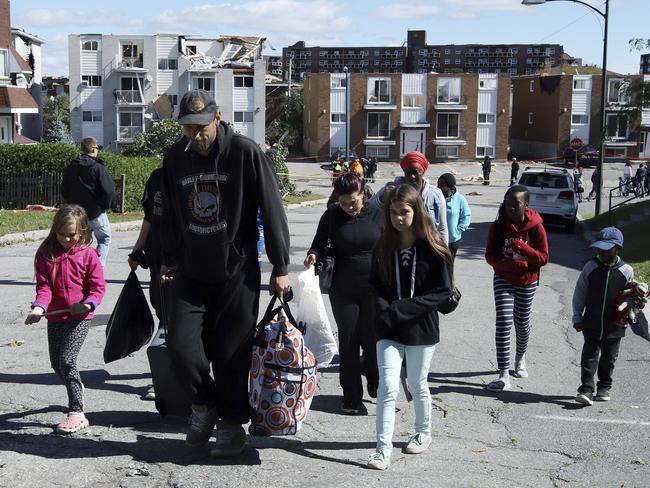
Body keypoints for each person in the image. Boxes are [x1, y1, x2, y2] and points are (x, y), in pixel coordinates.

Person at [159, 89, 291, 457]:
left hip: (236, 271)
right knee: (181, 347)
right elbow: (169, 210)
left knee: (231, 355)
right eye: (187, 127)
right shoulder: (175, 158)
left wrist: (280, 266)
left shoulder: (245, 153)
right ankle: (205, 403)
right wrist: (168, 255)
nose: (195, 134)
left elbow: (272, 207)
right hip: (191, 270)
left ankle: (232, 427)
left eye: (201, 126)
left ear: (216, 119)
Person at [367, 184, 453, 471]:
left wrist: (403, 309)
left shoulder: (433, 247)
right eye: (392, 212)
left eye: (404, 212)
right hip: (389, 327)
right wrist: (385, 312)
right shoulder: (383, 245)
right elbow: (375, 286)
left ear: (416, 211)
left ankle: (423, 431)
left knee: (417, 384)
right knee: (388, 387)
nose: (398, 218)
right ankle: (382, 449)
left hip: (421, 328)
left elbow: (442, 291)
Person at [305, 172, 382, 415]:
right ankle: (351, 397)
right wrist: (313, 254)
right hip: (343, 289)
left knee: (373, 340)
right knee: (348, 342)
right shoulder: (331, 216)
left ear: (363, 195)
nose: (349, 207)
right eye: (344, 202)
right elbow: (317, 242)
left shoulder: (379, 215)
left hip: (375, 288)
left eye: (354, 202)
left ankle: (374, 377)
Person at [25, 205, 106, 434]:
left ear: (81, 232)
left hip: (80, 316)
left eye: (72, 235)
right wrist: (39, 308)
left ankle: (77, 412)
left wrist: (89, 303)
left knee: (68, 360)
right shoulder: (46, 253)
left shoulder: (88, 255)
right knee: (56, 364)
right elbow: (44, 287)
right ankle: (76, 386)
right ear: (55, 231)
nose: (67, 239)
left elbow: (98, 288)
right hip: (56, 316)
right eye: (62, 234)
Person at [485, 185, 549, 392]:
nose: (511, 208)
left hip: (527, 281)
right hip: (503, 277)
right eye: (508, 204)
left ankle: (520, 358)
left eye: (516, 204)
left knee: (521, 322)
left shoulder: (536, 227)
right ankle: (503, 373)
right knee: (503, 321)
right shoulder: (498, 227)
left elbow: (543, 258)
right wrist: (513, 265)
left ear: (526, 206)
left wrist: (524, 249)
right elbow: (490, 257)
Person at [572, 227, 635, 406]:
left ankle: (604, 387)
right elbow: (580, 293)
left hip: (615, 324)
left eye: (607, 249)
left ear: (618, 249)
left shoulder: (626, 271)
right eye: (599, 248)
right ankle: (586, 389)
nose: (601, 252)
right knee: (589, 357)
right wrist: (578, 316)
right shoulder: (590, 267)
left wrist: (632, 308)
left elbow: (630, 296)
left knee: (609, 358)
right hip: (591, 321)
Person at [128, 167, 164, 401]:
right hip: (159, 258)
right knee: (165, 315)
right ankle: (164, 379)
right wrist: (137, 248)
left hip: (192, 263)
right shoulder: (157, 178)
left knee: (175, 322)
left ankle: (164, 380)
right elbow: (149, 218)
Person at [369, 151, 448, 244]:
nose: (412, 176)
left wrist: (444, 253)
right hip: (398, 245)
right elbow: (369, 207)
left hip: (427, 247)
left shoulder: (435, 195)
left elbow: (442, 228)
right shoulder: (392, 189)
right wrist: (382, 199)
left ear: (423, 171)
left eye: (415, 172)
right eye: (408, 172)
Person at [61, 137, 116, 266]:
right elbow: (109, 190)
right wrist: (105, 205)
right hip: (95, 212)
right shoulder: (97, 167)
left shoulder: (72, 167)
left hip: (76, 213)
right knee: (104, 239)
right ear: (92, 148)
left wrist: (71, 205)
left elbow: (64, 188)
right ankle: (97, 267)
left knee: (79, 242)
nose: (97, 150)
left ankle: (76, 268)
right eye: (97, 148)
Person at [437, 173, 471, 260]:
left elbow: (466, 216)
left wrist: (458, 230)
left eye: (441, 185)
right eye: (438, 185)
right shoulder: (436, 198)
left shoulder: (460, 199)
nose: (439, 187)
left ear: (449, 186)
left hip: (453, 240)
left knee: (449, 265)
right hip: (438, 239)